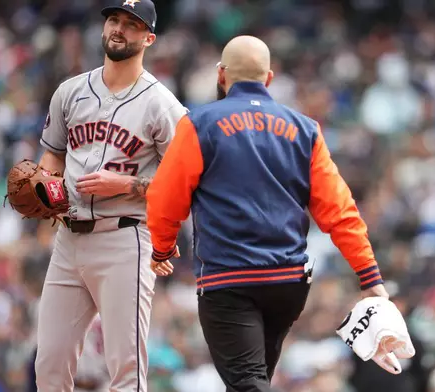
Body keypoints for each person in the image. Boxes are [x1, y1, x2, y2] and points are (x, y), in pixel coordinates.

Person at [146, 35, 389, 392]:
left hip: (229, 280)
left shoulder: (200, 123)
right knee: (253, 380)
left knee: (248, 383)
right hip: (287, 283)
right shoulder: (305, 129)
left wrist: (162, 248)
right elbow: (340, 212)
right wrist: (371, 278)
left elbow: (165, 199)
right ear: (269, 79)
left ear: (221, 75)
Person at [34, 0, 187, 390]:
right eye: (114, 20)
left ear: (149, 38)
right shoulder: (70, 92)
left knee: (126, 371)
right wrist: (45, 189)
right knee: (49, 364)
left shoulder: (163, 105)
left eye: (132, 24)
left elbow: (186, 185)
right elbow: (51, 156)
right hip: (68, 241)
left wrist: (126, 185)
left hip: (125, 239)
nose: (119, 29)